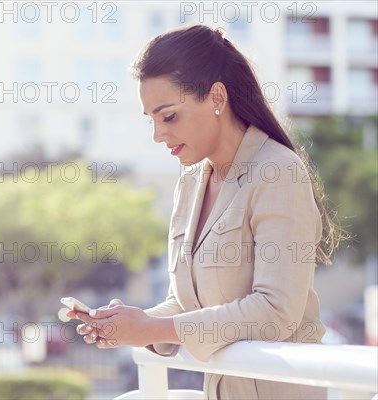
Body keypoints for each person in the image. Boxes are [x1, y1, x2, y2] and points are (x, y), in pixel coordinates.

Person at [68, 24, 342, 399]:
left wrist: (151, 329)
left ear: (216, 97)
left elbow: (276, 312)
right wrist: (131, 323)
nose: (158, 136)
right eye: (151, 120)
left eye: (169, 116)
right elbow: (188, 304)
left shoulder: (277, 172)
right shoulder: (192, 181)